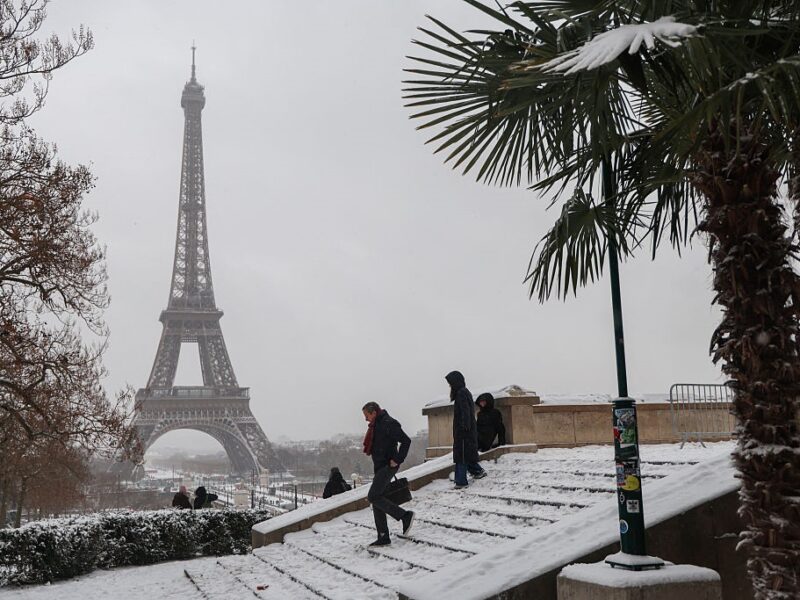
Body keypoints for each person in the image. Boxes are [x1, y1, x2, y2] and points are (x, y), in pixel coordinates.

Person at [362, 401, 415, 546]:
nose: (365, 419)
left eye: (366, 415)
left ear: (373, 412)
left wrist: (397, 460)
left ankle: (405, 515)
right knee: (378, 498)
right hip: (380, 466)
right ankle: (383, 536)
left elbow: (406, 441)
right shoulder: (376, 425)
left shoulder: (389, 423)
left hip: (388, 466)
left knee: (373, 496)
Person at [446, 371, 487, 489]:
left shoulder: (461, 393)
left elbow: (465, 412)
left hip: (464, 432)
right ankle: (477, 471)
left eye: (451, 384)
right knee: (465, 455)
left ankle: (461, 481)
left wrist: (464, 428)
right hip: (465, 431)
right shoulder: (463, 392)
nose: (450, 386)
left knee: (462, 456)